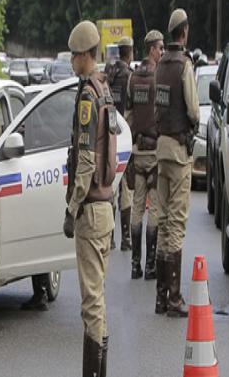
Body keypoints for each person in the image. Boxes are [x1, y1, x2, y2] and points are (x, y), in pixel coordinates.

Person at [64, 20, 117, 376]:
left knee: (91, 304)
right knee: (98, 301)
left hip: (91, 210)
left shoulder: (87, 95)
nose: (71, 62)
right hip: (107, 207)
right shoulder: (105, 90)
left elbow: (85, 160)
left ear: (85, 55)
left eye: (73, 56)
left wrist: (71, 209)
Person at [154, 9, 199, 317]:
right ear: (184, 33)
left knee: (162, 219)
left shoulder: (159, 66)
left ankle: (160, 298)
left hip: (160, 148)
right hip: (180, 152)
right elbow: (194, 111)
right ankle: (174, 299)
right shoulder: (185, 65)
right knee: (177, 224)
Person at [125, 30, 164, 280]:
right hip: (155, 152)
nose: (162, 52)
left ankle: (135, 265)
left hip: (137, 151)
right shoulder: (158, 77)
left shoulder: (132, 78)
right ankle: (151, 265)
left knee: (137, 207)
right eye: (159, 48)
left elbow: (128, 116)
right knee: (156, 208)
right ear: (151, 49)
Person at [106, 36, 134, 251]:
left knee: (111, 187)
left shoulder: (109, 74)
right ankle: (126, 238)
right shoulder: (128, 77)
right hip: (125, 135)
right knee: (126, 188)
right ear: (130, 52)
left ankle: (111, 237)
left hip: (109, 134)